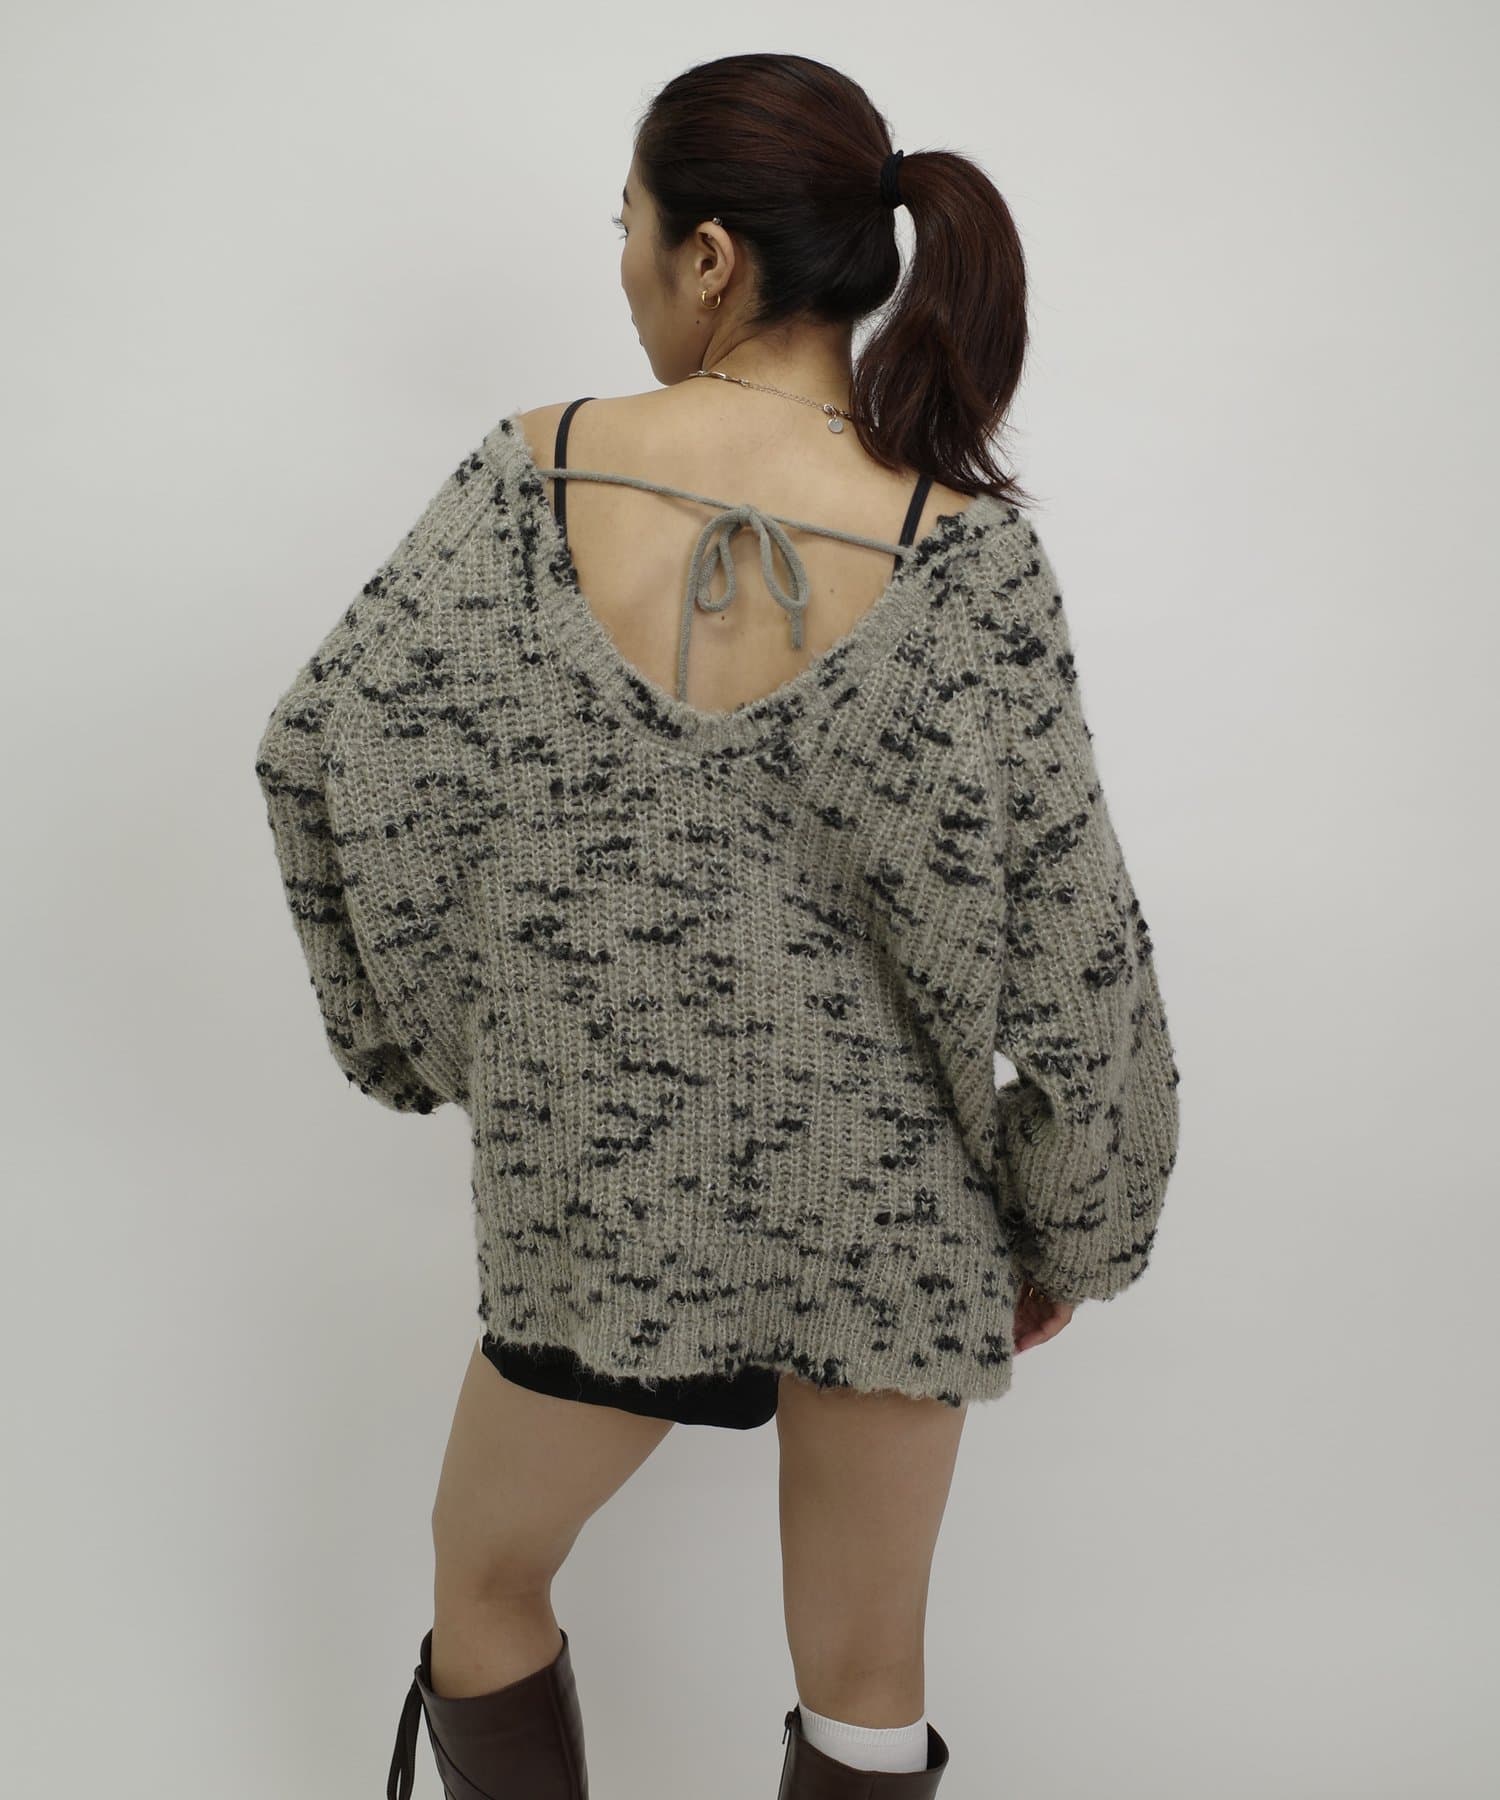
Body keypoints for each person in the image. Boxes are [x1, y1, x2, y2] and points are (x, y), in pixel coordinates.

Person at [256, 51, 1181, 1800]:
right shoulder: (970, 556)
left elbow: (323, 756)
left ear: (709, 257)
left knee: (482, 1582)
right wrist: (1066, 1227)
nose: (621, 266)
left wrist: (456, 1049)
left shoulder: (528, 478)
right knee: (865, 1689)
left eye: (629, 227)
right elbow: (1081, 960)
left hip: (598, 1194)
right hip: (893, 1214)